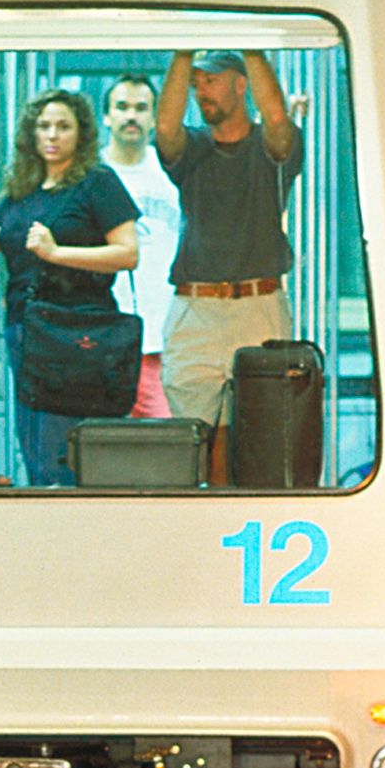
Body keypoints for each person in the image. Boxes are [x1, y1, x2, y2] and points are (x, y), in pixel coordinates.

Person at [0, 91, 144, 485]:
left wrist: (57, 253)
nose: (52, 135)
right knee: (36, 442)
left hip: (82, 332)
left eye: (63, 126)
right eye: (44, 126)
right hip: (30, 332)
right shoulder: (20, 192)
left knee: (74, 445)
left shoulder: (97, 183)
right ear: (31, 134)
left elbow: (127, 253)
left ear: (81, 134)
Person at [153, 44, 302, 473]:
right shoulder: (193, 149)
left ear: (242, 86)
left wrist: (250, 43)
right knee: (193, 440)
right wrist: (181, 54)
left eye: (211, 81)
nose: (201, 92)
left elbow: (277, 121)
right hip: (195, 306)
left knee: (258, 436)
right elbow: (166, 127)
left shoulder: (269, 149)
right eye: (195, 84)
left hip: (258, 306)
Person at [99, 75, 187, 422]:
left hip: (165, 334)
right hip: (103, 334)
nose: (130, 116)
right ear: (106, 116)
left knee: (166, 447)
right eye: (121, 107)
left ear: (153, 117)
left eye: (141, 108)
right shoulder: (91, 174)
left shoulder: (172, 171)